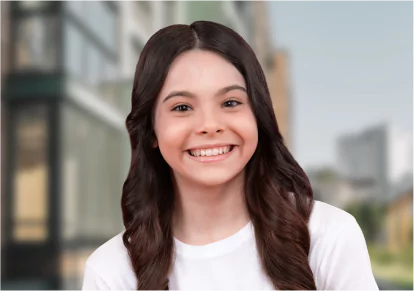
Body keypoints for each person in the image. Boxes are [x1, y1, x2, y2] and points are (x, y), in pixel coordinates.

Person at [81, 21, 379, 291]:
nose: (210, 125)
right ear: (151, 133)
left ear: (258, 116)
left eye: (231, 102)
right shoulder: (111, 272)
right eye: (182, 107)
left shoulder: (329, 237)